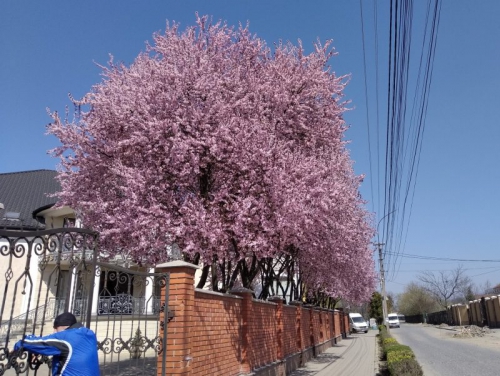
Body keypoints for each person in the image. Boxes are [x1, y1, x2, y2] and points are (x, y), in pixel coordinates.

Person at [14, 312, 100, 376]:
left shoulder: (65, 337)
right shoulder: (89, 334)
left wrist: (18, 345)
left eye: (56, 328)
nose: (54, 332)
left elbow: (33, 342)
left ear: (63, 326)